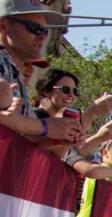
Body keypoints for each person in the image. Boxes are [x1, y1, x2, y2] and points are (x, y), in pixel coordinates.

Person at [0, 1, 81, 143]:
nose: (42, 36)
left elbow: (25, 139)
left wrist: (65, 138)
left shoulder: (17, 77)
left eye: (45, 30)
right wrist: (44, 126)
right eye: (33, 28)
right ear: (3, 25)